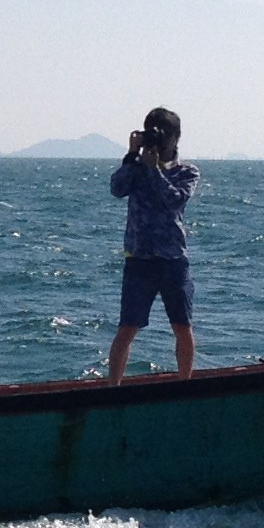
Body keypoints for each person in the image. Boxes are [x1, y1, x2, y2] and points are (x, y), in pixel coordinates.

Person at [107, 107, 199, 381]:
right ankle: (112, 387)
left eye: (163, 136)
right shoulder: (135, 167)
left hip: (172, 260)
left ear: (176, 138)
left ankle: (185, 384)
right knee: (127, 328)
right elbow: (116, 189)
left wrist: (154, 170)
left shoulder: (187, 171)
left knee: (182, 326)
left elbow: (174, 200)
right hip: (139, 259)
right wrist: (131, 156)